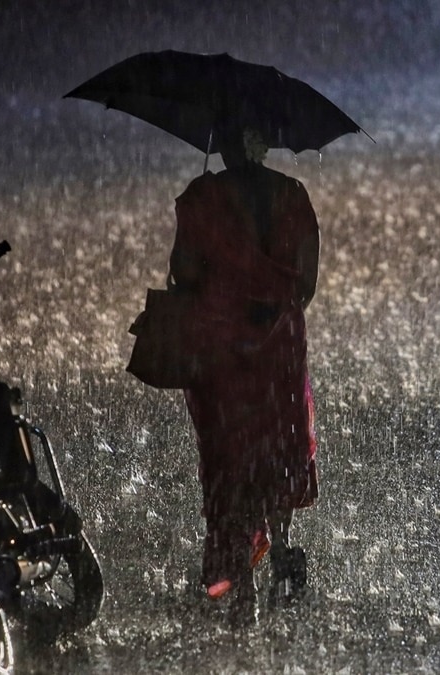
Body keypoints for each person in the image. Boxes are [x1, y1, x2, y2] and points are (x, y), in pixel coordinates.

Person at [167, 125, 320, 617]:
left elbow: (185, 273)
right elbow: (307, 284)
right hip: (277, 345)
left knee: (230, 451)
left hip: (222, 349)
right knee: (277, 442)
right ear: (265, 143)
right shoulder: (291, 196)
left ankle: (244, 583)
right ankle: (280, 543)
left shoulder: (203, 198)